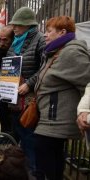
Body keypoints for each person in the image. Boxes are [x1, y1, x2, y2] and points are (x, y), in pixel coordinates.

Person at [33, 16, 90, 180]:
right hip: (49, 116)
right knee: (53, 159)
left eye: (49, 31)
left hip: (56, 119)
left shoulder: (71, 52)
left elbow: (87, 83)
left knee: (44, 157)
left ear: (62, 32)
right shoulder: (55, 51)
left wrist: (84, 110)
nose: (45, 35)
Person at [7, 6, 46, 171]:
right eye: (13, 24)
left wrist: (29, 84)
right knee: (21, 132)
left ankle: (35, 171)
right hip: (14, 97)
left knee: (29, 135)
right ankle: (27, 169)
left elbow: (45, 68)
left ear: (28, 25)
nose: (14, 27)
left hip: (29, 98)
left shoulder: (39, 39)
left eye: (18, 24)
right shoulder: (15, 41)